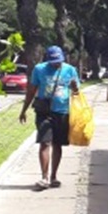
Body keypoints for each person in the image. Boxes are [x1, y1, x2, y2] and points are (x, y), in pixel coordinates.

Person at [18, 46, 80, 190]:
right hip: (43, 111)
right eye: (53, 61)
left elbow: (76, 93)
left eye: (58, 61)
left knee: (57, 144)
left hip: (62, 112)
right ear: (48, 59)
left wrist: (74, 86)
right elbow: (31, 91)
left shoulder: (70, 70)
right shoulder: (39, 69)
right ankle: (44, 177)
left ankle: (54, 177)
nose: (56, 64)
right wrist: (24, 110)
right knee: (45, 143)